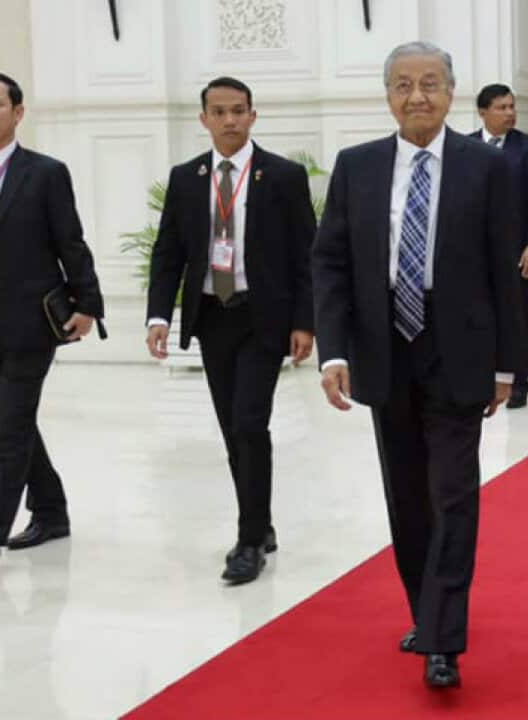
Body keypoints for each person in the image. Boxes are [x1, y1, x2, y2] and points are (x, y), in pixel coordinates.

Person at [311, 41, 528, 690]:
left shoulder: (484, 169)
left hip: (457, 348)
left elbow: (503, 272)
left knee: (454, 495)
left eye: (430, 84)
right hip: (384, 349)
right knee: (407, 500)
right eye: (403, 85)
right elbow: (331, 263)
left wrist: (507, 365)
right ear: (387, 96)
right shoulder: (358, 166)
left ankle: (442, 639)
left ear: (451, 92)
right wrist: (336, 349)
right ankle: (425, 609)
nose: (417, 96)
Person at [145, 76, 316, 584]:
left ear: (253, 115)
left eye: (238, 110)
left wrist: (305, 321)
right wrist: (158, 315)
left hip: (263, 317)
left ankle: (247, 541)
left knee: (248, 423)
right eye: (218, 112)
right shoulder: (186, 178)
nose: (229, 120)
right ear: (203, 119)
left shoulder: (281, 176)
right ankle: (260, 523)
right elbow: (169, 253)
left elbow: (306, 255)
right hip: (211, 317)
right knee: (231, 429)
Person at [0, 72, 105, 567]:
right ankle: (51, 510)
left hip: (29, 320)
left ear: (17, 112)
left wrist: (87, 303)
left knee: (10, 430)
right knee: (14, 423)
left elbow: (69, 241)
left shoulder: (45, 173)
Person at [470, 83, 528, 408]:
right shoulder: (466, 147)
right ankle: (480, 374)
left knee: (516, 317)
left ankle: (519, 380)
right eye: (502, 108)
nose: (510, 113)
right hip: (474, 253)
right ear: (483, 112)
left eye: (512, 107)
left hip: (516, 251)